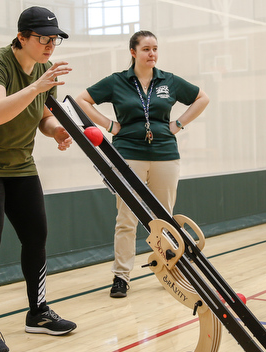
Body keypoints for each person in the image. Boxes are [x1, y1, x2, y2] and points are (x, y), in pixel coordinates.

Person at [0, 6, 77, 352]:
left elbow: (44, 117)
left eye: (54, 39)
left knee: (36, 235)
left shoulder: (43, 71)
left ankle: (37, 312)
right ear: (22, 37)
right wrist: (38, 85)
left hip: (20, 164)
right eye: (43, 38)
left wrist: (58, 132)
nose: (50, 45)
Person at [75, 30, 210, 299]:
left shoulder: (168, 81)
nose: (152, 54)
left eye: (155, 49)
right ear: (133, 52)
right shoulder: (117, 81)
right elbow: (82, 100)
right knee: (126, 219)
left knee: (164, 218)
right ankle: (121, 276)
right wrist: (109, 125)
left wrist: (178, 124)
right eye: (146, 49)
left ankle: (169, 268)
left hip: (165, 154)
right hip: (127, 155)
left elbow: (202, 98)